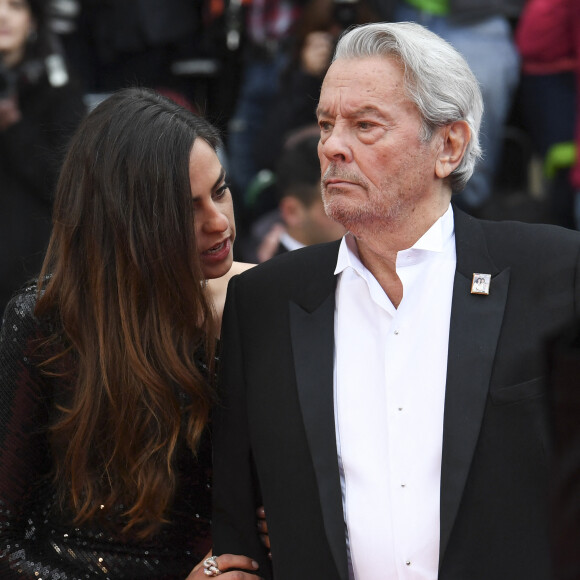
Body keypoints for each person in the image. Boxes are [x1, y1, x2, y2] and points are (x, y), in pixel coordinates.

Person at [211, 21, 580, 580]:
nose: (332, 146)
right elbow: (237, 517)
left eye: (365, 126)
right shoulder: (263, 302)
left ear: (448, 146)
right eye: (326, 124)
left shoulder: (556, 273)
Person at [0, 87, 260, 579]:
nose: (218, 221)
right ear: (128, 221)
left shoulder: (258, 305)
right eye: (187, 208)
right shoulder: (46, 321)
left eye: (220, 191)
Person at [0, 0, 86, 316]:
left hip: (34, 271)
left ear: (34, 20)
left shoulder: (57, 89)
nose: (2, 15)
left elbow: (67, 182)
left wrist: (14, 129)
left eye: (15, 6)